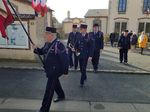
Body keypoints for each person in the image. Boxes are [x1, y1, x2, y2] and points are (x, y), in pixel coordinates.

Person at [33, 27, 69, 112]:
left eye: (46, 34)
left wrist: (65, 72)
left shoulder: (59, 45)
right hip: (49, 69)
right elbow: (41, 51)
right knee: (55, 83)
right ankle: (61, 95)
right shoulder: (47, 43)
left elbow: (65, 59)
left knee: (49, 91)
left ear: (51, 35)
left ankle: (44, 109)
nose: (45, 36)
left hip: (55, 71)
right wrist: (35, 49)